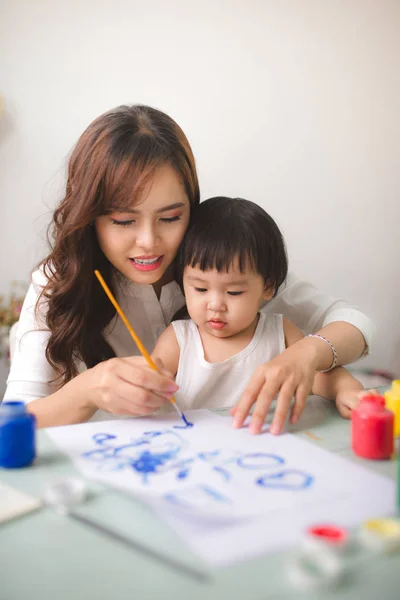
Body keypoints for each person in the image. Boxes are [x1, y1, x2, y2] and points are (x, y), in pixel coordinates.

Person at [4, 104, 373, 432]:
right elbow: (14, 419)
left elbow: (357, 323)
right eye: (123, 221)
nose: (148, 241)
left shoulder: (218, 261)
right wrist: (87, 391)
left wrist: (306, 354)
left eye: (170, 217)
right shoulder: (58, 283)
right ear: (90, 218)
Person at [152, 197, 364, 433]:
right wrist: (149, 386)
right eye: (200, 289)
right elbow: (151, 381)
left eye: (233, 292)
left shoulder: (280, 333)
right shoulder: (179, 340)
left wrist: (346, 389)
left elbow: (317, 376)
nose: (215, 305)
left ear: (268, 287)